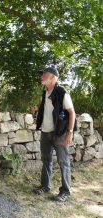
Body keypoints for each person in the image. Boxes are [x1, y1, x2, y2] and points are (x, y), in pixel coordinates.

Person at [33, 66, 76, 202]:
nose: (41, 77)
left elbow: (72, 113)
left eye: (44, 74)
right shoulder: (45, 92)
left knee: (63, 162)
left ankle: (66, 191)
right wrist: (37, 110)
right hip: (45, 132)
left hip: (59, 133)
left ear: (53, 77)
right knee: (46, 160)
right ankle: (45, 186)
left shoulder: (62, 93)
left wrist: (69, 132)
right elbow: (46, 108)